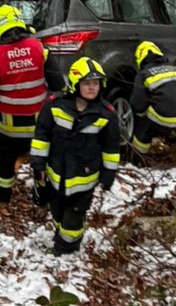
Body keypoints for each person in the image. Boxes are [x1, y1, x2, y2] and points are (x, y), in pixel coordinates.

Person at [28, 54, 121, 256]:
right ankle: (62, 237)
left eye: (96, 83)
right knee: (58, 214)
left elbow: (111, 148)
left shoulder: (106, 114)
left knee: (73, 220)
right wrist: (38, 165)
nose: (92, 88)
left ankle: (66, 250)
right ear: (75, 84)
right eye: (87, 83)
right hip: (56, 176)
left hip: (84, 180)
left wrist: (108, 175)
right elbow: (41, 138)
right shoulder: (54, 106)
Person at [0, 3, 49, 204]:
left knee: (5, 160)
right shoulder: (39, 47)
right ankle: (42, 194)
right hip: (39, 126)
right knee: (41, 160)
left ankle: (2, 195)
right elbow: (57, 83)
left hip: (9, 128)